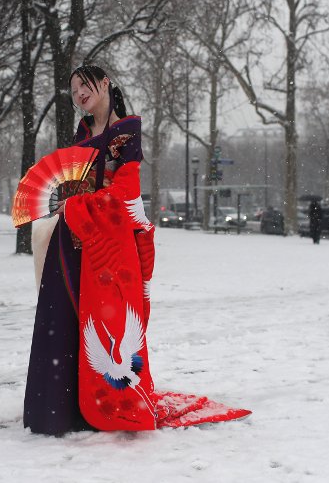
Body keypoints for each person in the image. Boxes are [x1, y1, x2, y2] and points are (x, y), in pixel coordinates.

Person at [23, 65, 250, 435]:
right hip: (71, 237)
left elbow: (125, 192)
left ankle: (101, 406)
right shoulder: (82, 133)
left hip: (106, 241)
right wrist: (70, 199)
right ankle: (60, 410)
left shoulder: (125, 131)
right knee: (61, 317)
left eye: (84, 85)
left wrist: (79, 204)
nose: (79, 93)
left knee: (106, 321)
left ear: (105, 83)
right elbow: (74, 179)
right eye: (74, 90)